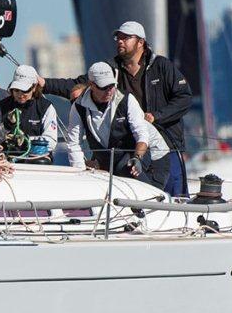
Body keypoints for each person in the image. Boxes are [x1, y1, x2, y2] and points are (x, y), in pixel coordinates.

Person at [41, 21, 191, 195]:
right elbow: (77, 85)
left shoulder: (161, 66)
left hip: (165, 143)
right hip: (129, 147)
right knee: (136, 194)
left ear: (141, 42)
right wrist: (44, 84)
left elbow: (184, 97)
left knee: (175, 195)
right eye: (118, 38)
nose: (120, 41)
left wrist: (156, 116)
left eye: (125, 38)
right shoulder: (111, 70)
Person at [64, 62, 170, 188]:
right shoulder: (78, 106)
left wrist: (137, 158)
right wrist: (80, 172)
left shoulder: (127, 100)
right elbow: (74, 143)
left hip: (151, 153)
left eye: (112, 85)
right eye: (104, 87)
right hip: (115, 155)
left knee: (126, 167)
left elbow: (141, 134)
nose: (109, 91)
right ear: (92, 85)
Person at [0, 65, 58, 163]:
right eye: (16, 90)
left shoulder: (45, 107)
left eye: (25, 90)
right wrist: (5, 127)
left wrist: (25, 141)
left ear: (34, 87)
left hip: (36, 164)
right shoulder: (2, 106)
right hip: (8, 164)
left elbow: (51, 141)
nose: (20, 95)